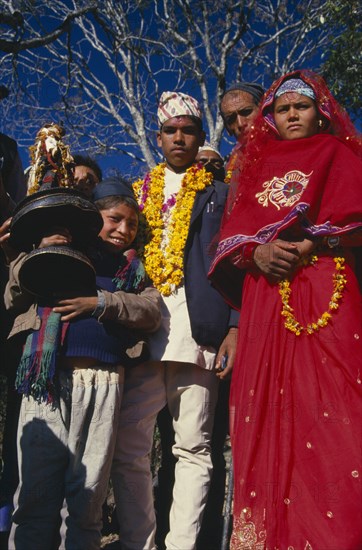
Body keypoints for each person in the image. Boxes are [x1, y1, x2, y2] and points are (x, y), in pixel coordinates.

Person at [209, 70, 362, 548]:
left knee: (336, 407)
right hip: (266, 300)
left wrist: (314, 241)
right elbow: (231, 240)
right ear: (271, 118)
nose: (292, 115)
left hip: (325, 289)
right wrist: (256, 254)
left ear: (320, 111)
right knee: (268, 410)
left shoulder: (340, 154)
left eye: (301, 106)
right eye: (283, 108)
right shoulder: (253, 165)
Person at [111, 91, 238, 550]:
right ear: (158, 137)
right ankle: (137, 542)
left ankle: (182, 545)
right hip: (143, 335)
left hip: (199, 333)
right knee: (129, 447)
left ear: (201, 136)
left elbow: (236, 261)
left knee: (194, 447)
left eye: (188, 130)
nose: (179, 137)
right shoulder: (138, 195)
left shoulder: (220, 192)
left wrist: (235, 326)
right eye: (171, 130)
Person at [5, 177, 161, 549]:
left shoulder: (131, 270)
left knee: (87, 496)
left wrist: (101, 303)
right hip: (45, 382)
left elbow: (151, 311)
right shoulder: (58, 247)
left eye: (132, 224)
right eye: (114, 219)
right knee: (35, 493)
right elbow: (13, 294)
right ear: (94, 217)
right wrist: (40, 249)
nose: (123, 230)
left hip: (104, 382)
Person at [219, 82, 264, 188]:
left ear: (263, 110)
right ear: (227, 128)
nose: (240, 123)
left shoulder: (290, 150)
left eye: (246, 112)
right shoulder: (229, 168)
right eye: (231, 119)